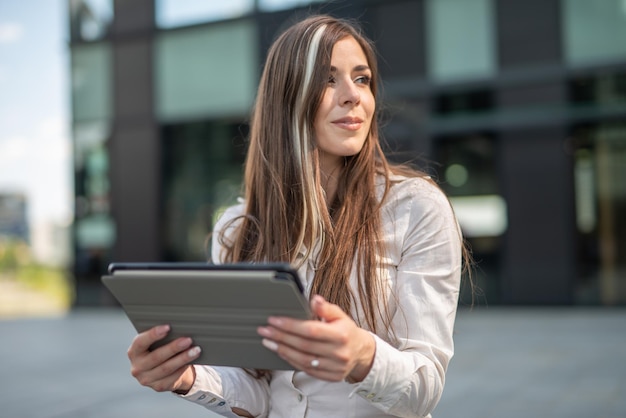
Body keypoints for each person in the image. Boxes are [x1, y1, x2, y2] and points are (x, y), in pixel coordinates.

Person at [127, 14, 468, 418]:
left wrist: (363, 356)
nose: (352, 95)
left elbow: (424, 391)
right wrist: (187, 377)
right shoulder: (236, 230)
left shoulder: (416, 208)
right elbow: (260, 392)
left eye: (361, 79)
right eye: (328, 79)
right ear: (286, 98)